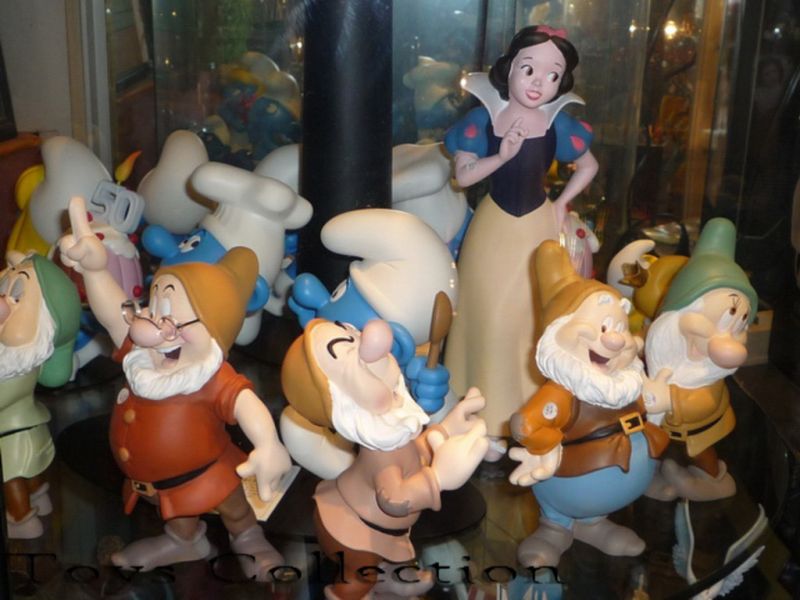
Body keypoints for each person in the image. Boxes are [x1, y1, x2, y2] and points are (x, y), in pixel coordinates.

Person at [59, 196, 291, 580]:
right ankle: (185, 541)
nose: (155, 324)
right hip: (155, 481)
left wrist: (268, 444)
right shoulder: (143, 356)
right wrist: (96, 271)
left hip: (209, 472)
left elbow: (247, 404)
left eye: (172, 316)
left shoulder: (209, 376)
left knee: (234, 509)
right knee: (177, 511)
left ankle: (248, 537)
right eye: (154, 308)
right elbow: (113, 313)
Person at [444, 25, 598, 446]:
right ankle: (483, 415)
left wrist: (561, 204)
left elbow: (589, 166)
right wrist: (501, 156)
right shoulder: (482, 118)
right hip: (492, 227)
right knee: (488, 314)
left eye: (552, 75)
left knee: (531, 316)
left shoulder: (558, 123)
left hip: (537, 228)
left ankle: (530, 413)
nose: (538, 82)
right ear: (509, 68)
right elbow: (463, 176)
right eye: (529, 68)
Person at [282, 318, 489, 599]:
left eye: (354, 336)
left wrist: (448, 427)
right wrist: (439, 478)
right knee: (359, 576)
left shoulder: (389, 434)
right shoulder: (380, 454)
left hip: (376, 526)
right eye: (346, 350)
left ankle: (388, 578)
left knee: (386, 557)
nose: (374, 345)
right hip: (352, 531)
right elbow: (394, 498)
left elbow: (414, 451)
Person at [508, 241, 668, 567]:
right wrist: (545, 446)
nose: (615, 339)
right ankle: (555, 528)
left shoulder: (626, 381)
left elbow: (646, 404)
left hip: (620, 483)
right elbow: (525, 424)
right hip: (568, 482)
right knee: (557, 516)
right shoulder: (563, 392)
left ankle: (593, 523)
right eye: (602, 328)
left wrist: (659, 403)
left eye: (619, 328)